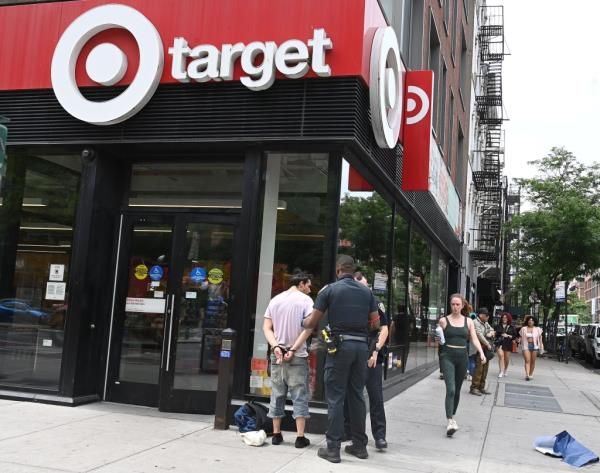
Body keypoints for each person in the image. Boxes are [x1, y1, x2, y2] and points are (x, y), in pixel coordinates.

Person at [302, 255, 380, 463]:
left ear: (338, 270)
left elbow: (313, 322)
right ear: (353, 271)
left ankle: (333, 449)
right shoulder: (366, 292)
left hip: (340, 348)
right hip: (361, 347)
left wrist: (303, 321)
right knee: (356, 395)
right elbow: (375, 323)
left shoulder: (330, 290)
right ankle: (360, 446)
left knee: (335, 397)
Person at [262, 271, 314, 448]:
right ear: (300, 284)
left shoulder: (275, 300)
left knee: (277, 394)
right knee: (300, 395)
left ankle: (276, 434)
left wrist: (276, 346)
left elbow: (266, 328)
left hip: (277, 355)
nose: (310, 288)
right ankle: (300, 437)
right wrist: (293, 349)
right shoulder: (306, 301)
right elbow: (308, 328)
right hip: (297, 356)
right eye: (308, 284)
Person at [343, 272, 389, 450]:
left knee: (375, 396)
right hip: (353, 352)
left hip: (371, 353)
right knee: (350, 396)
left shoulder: (375, 302)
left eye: (365, 285)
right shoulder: (348, 302)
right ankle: (348, 432)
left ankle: (379, 436)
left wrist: (376, 351)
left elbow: (384, 329)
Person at [437, 294, 486, 437]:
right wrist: (438, 340)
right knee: (450, 389)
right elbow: (438, 340)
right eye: (453, 304)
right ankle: (450, 420)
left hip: (462, 357)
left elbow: (474, 339)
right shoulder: (443, 321)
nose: (455, 307)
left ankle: (452, 414)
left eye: (458, 304)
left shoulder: (469, 322)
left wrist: (481, 352)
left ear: (462, 305)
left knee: (457, 390)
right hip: (448, 357)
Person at [469, 308, 495, 396]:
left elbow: (491, 330)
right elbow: (479, 335)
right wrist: (487, 343)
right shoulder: (475, 322)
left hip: (485, 349)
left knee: (485, 368)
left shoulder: (485, 323)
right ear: (481, 315)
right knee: (479, 369)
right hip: (478, 348)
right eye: (486, 315)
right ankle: (474, 387)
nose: (488, 317)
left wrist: (490, 333)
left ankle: (481, 387)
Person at [520, 315, 544, 381]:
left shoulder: (538, 329)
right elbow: (521, 337)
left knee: (533, 361)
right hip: (526, 346)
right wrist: (518, 340)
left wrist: (541, 345)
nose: (530, 321)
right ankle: (527, 375)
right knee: (527, 361)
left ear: (534, 322)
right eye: (529, 320)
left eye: (532, 320)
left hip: (535, 346)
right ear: (527, 321)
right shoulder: (523, 329)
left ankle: (530, 374)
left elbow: (540, 338)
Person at [494, 312, 516, 378]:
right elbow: (495, 334)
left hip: (508, 344)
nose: (504, 318)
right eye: (503, 317)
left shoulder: (512, 327)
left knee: (507, 358)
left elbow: (514, 336)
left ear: (508, 318)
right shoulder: (498, 326)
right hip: (499, 343)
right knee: (501, 356)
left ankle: (505, 370)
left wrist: (508, 335)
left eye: (506, 317)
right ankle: (501, 371)